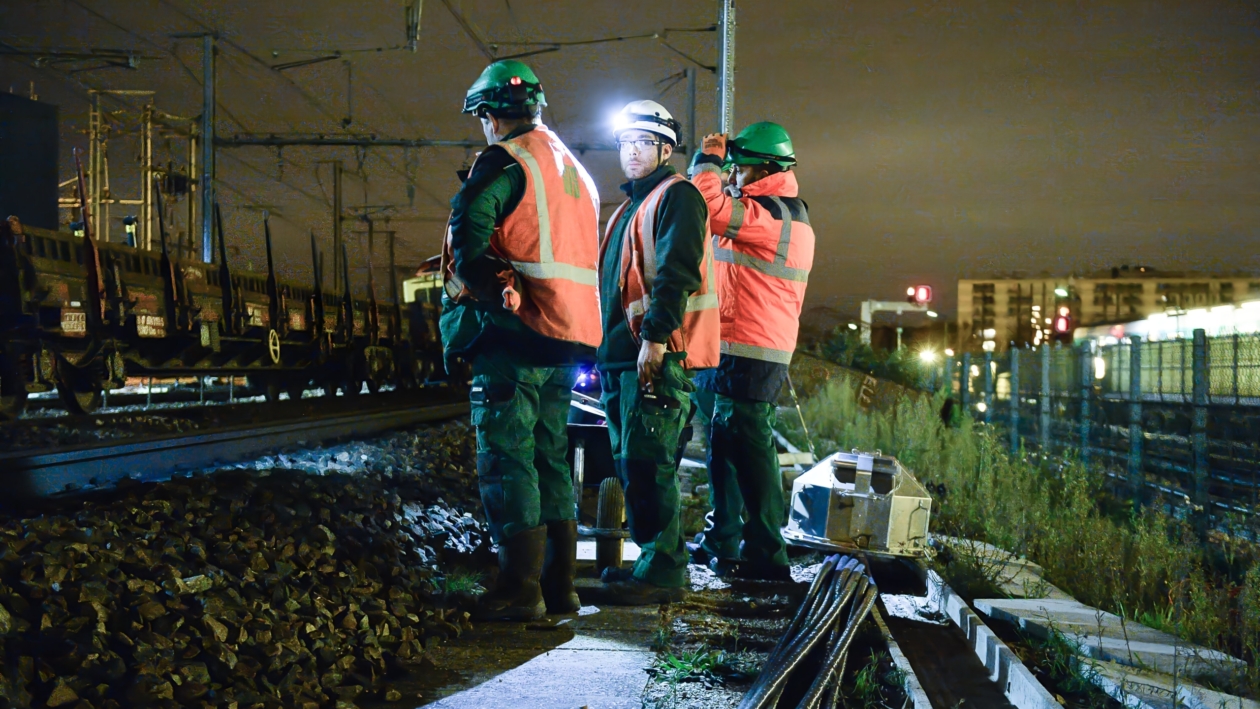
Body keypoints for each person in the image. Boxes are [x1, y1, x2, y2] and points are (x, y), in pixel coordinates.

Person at [440, 60, 602, 620]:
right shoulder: (576, 171)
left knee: (508, 459)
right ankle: (562, 586)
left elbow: (470, 221)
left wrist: (484, 287)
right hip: (565, 336)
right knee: (550, 457)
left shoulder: (507, 160)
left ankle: (519, 590)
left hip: (514, 333)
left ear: (489, 115)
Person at [591, 100, 719, 604]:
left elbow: (677, 273)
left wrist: (656, 337)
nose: (631, 152)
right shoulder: (629, 206)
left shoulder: (678, 196)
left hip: (656, 357)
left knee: (650, 463)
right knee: (634, 464)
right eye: (625, 143)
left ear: (666, 149)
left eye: (643, 143)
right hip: (622, 358)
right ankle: (652, 561)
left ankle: (664, 571)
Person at [686, 122, 815, 581]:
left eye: (740, 168)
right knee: (724, 446)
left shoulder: (777, 216)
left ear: (766, 168)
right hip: (731, 347)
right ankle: (723, 538)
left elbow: (709, 206)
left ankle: (766, 551)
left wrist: (708, 163)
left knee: (751, 448)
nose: (734, 176)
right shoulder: (763, 211)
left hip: (753, 350)